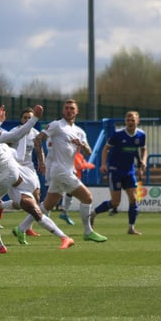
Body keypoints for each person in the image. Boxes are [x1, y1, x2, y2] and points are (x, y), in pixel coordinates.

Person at [0, 105, 75, 253]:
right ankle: (64, 237)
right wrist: (34, 119)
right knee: (32, 208)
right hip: (13, 173)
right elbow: (10, 137)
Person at [33, 99, 107, 243]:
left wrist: (82, 145)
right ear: (63, 110)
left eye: (72, 108)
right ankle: (88, 231)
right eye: (67, 108)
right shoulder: (57, 125)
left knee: (47, 205)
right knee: (88, 198)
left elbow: (88, 151)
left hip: (67, 170)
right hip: (60, 171)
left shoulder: (79, 131)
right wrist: (41, 162)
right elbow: (37, 139)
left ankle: (22, 227)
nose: (69, 111)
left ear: (76, 111)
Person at [91, 110, 147, 235]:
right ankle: (93, 214)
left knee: (133, 199)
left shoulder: (141, 135)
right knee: (115, 202)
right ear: (125, 121)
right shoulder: (118, 134)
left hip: (129, 171)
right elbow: (106, 148)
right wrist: (104, 164)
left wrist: (143, 161)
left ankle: (131, 227)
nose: (130, 122)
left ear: (137, 121)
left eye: (133, 120)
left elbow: (144, 149)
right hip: (115, 171)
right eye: (128, 120)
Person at [0, 107, 42, 237]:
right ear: (21, 119)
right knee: (24, 202)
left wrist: (42, 163)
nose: (27, 120)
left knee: (35, 199)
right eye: (25, 117)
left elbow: (39, 149)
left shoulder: (36, 133)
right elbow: (4, 146)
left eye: (29, 118)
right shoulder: (15, 131)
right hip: (16, 168)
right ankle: (23, 225)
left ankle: (4, 207)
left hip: (30, 168)